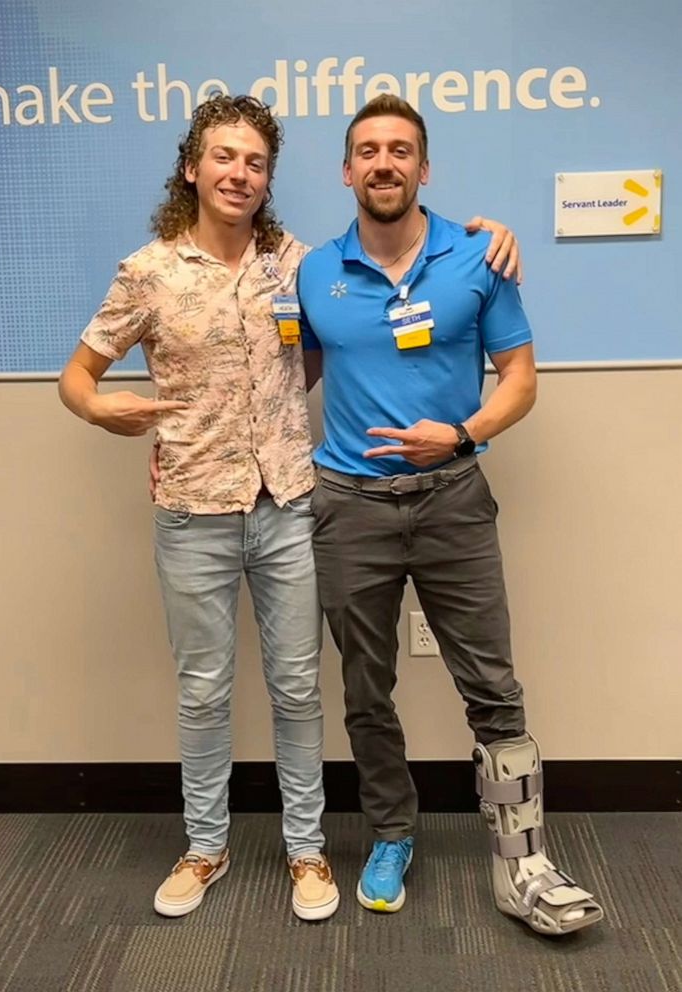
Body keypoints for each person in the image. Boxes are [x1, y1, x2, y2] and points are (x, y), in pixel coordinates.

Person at [60, 93, 519, 922]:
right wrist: (103, 409)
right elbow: (76, 378)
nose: (239, 173)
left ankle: (306, 851)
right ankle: (206, 848)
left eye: (255, 162)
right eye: (224, 157)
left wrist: (491, 233)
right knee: (203, 690)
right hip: (193, 506)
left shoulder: (299, 265)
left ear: (269, 178)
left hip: (289, 503)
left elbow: (349, 315)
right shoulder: (149, 271)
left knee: (300, 687)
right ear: (193, 167)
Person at [299, 94, 603, 936]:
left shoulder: (479, 257)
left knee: (493, 688)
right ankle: (392, 834)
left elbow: (521, 379)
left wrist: (462, 434)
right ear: (347, 169)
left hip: (454, 501)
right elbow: (291, 380)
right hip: (348, 506)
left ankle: (523, 863)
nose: (384, 163)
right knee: (367, 689)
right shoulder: (312, 269)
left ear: (423, 168)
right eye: (368, 150)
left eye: (401, 150)